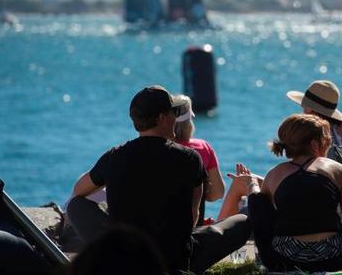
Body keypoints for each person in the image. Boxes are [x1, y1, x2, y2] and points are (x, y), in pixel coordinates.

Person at [66, 85, 250, 274]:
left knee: (75, 205)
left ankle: (110, 257)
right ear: (162, 118)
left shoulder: (114, 156)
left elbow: (79, 191)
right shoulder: (190, 158)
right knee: (242, 221)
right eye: (173, 113)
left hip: (125, 255)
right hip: (173, 261)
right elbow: (193, 216)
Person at [231, 113, 342, 272]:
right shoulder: (338, 170)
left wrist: (252, 184)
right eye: (327, 140)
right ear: (315, 144)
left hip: (284, 259)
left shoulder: (274, 175)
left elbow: (264, 219)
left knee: (257, 199)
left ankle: (251, 183)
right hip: (332, 259)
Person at [287, 80, 342, 181]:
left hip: (327, 183)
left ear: (310, 108)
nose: (302, 109)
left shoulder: (316, 130)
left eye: (304, 106)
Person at [172, 94, 226, 224]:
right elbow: (217, 193)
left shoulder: (158, 148)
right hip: (194, 225)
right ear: (190, 120)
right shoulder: (202, 147)